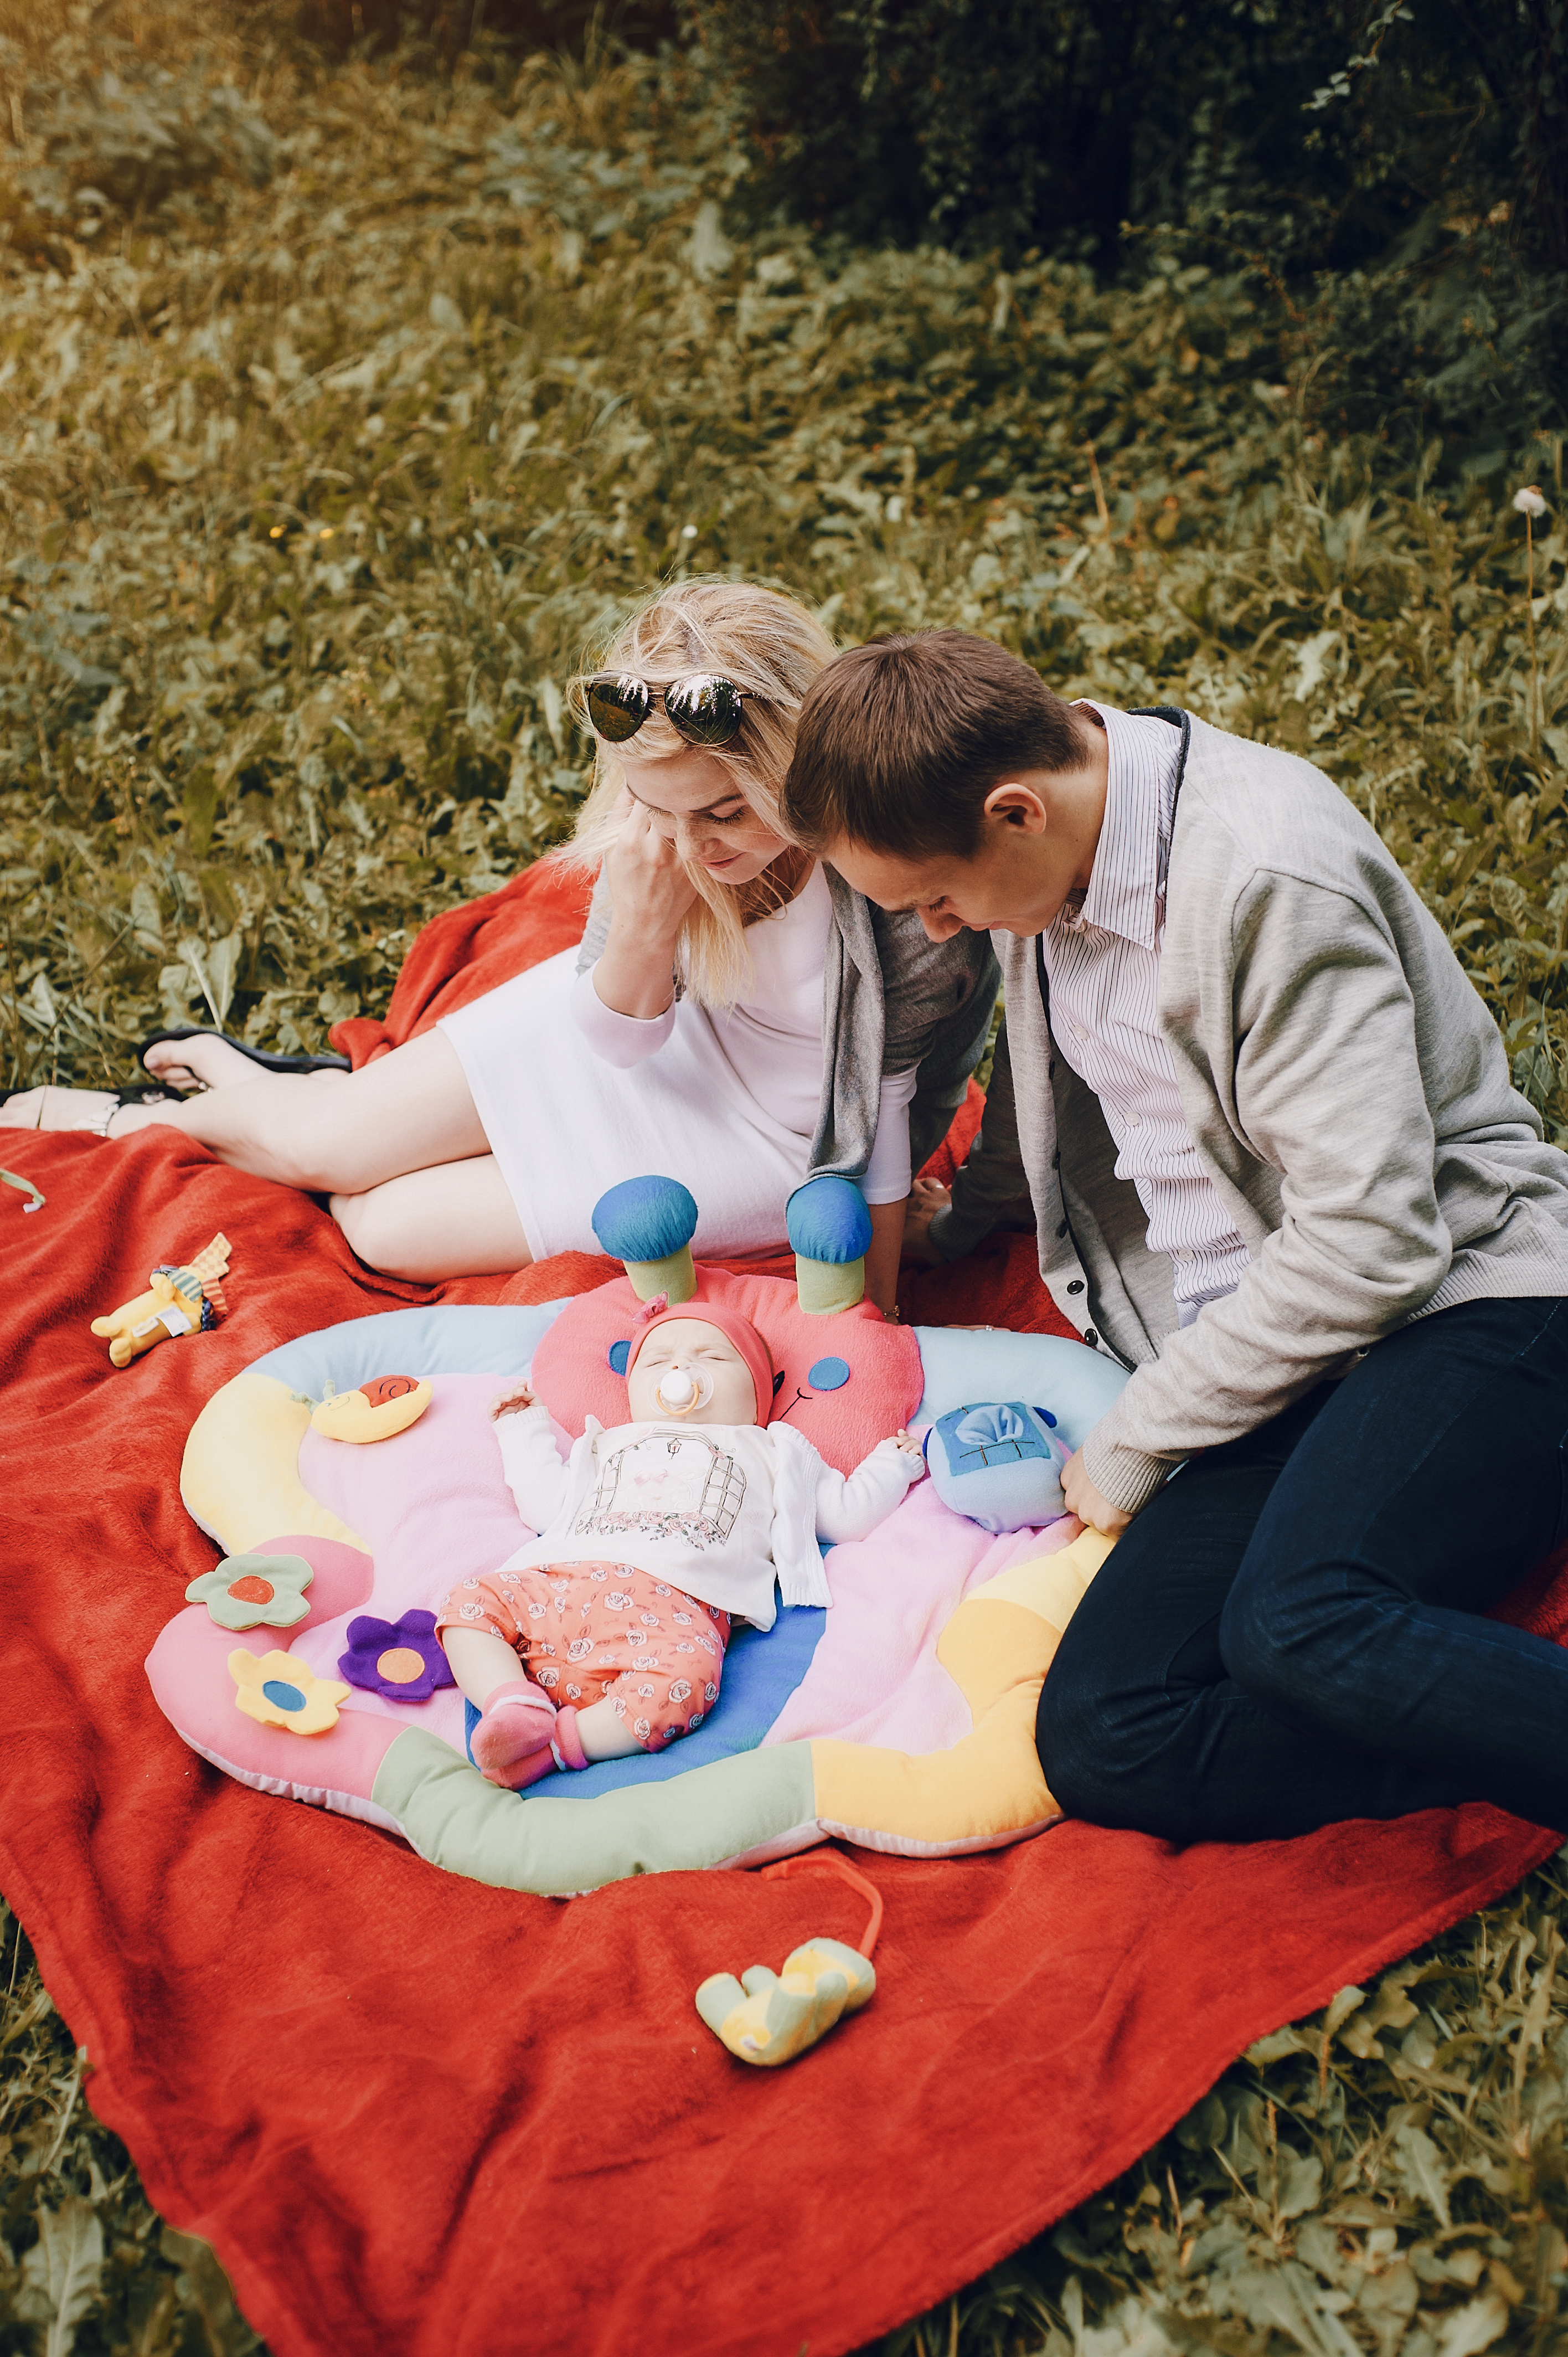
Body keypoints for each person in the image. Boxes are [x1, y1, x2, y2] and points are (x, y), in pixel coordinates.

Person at [780, 626, 1568, 1841]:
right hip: (1269, 1351)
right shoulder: (1052, 859)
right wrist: (968, 1223)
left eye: (935, 896)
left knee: (1295, 1621)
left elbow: (1374, 1242)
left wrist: (1146, 1432)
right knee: (1104, 1731)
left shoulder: (1262, 881)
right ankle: (1466, 1748)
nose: (937, 928)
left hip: (1467, 1301)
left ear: (1016, 810)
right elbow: (1046, 1084)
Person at [0, 583, 997, 1301]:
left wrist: (878, 1302)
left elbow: (886, 1111)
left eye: (725, 813)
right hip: (636, 1039)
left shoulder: (890, 889)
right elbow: (611, 1040)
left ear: (793, 762)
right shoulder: (658, 841)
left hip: (763, 1139)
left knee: (382, 1225)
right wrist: (646, 930)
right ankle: (142, 1121)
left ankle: (235, 1103)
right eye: (656, 809)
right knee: (331, 1148)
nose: (691, 845)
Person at [438, 1301, 924, 1787]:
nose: (679, 1367)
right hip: (561, 1583)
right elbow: (546, 1507)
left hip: (674, 1610)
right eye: (656, 1360)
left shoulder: (774, 1450)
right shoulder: (610, 1443)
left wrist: (891, 1467)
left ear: (758, 1392)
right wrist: (522, 1429)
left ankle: (555, 1744)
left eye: (712, 1357)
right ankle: (510, 1701)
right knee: (468, 1603)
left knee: (687, 1684)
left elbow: (844, 1517)